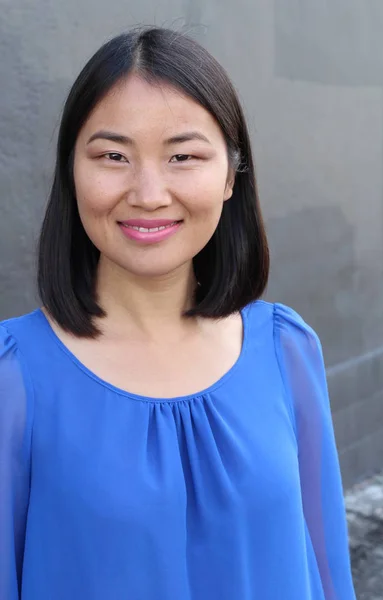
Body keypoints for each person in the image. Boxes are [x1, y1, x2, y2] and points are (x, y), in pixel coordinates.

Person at [0, 26, 355, 600]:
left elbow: (326, 568)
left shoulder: (285, 347)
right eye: (113, 156)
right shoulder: (13, 377)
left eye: (183, 156)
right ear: (72, 171)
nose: (148, 192)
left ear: (231, 176)